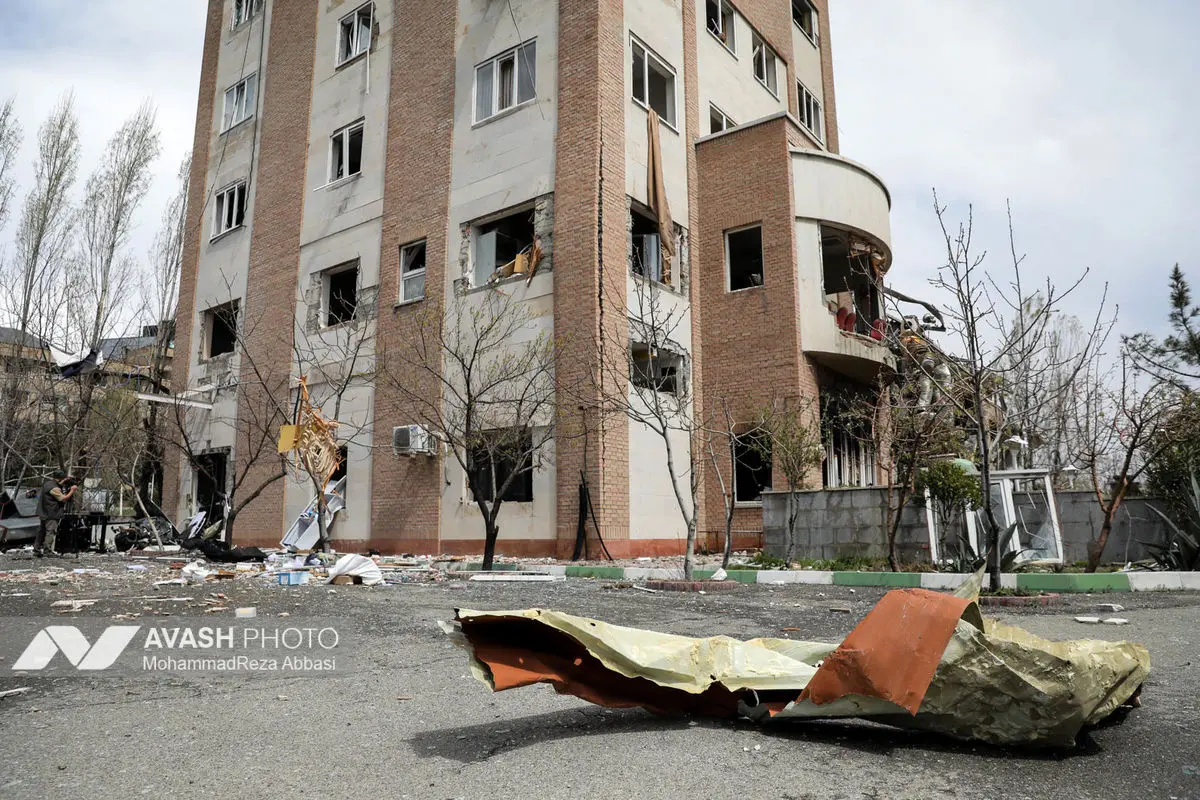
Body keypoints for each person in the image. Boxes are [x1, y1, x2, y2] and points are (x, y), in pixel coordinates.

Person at [34, 470, 77, 558]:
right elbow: (63, 499)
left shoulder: (48, 483)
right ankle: (47, 551)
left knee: (42, 531)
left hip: (44, 511)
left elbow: (60, 483)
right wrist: (72, 491)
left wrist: (67, 479)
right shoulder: (55, 488)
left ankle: (36, 550)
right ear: (59, 479)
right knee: (50, 531)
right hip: (52, 512)